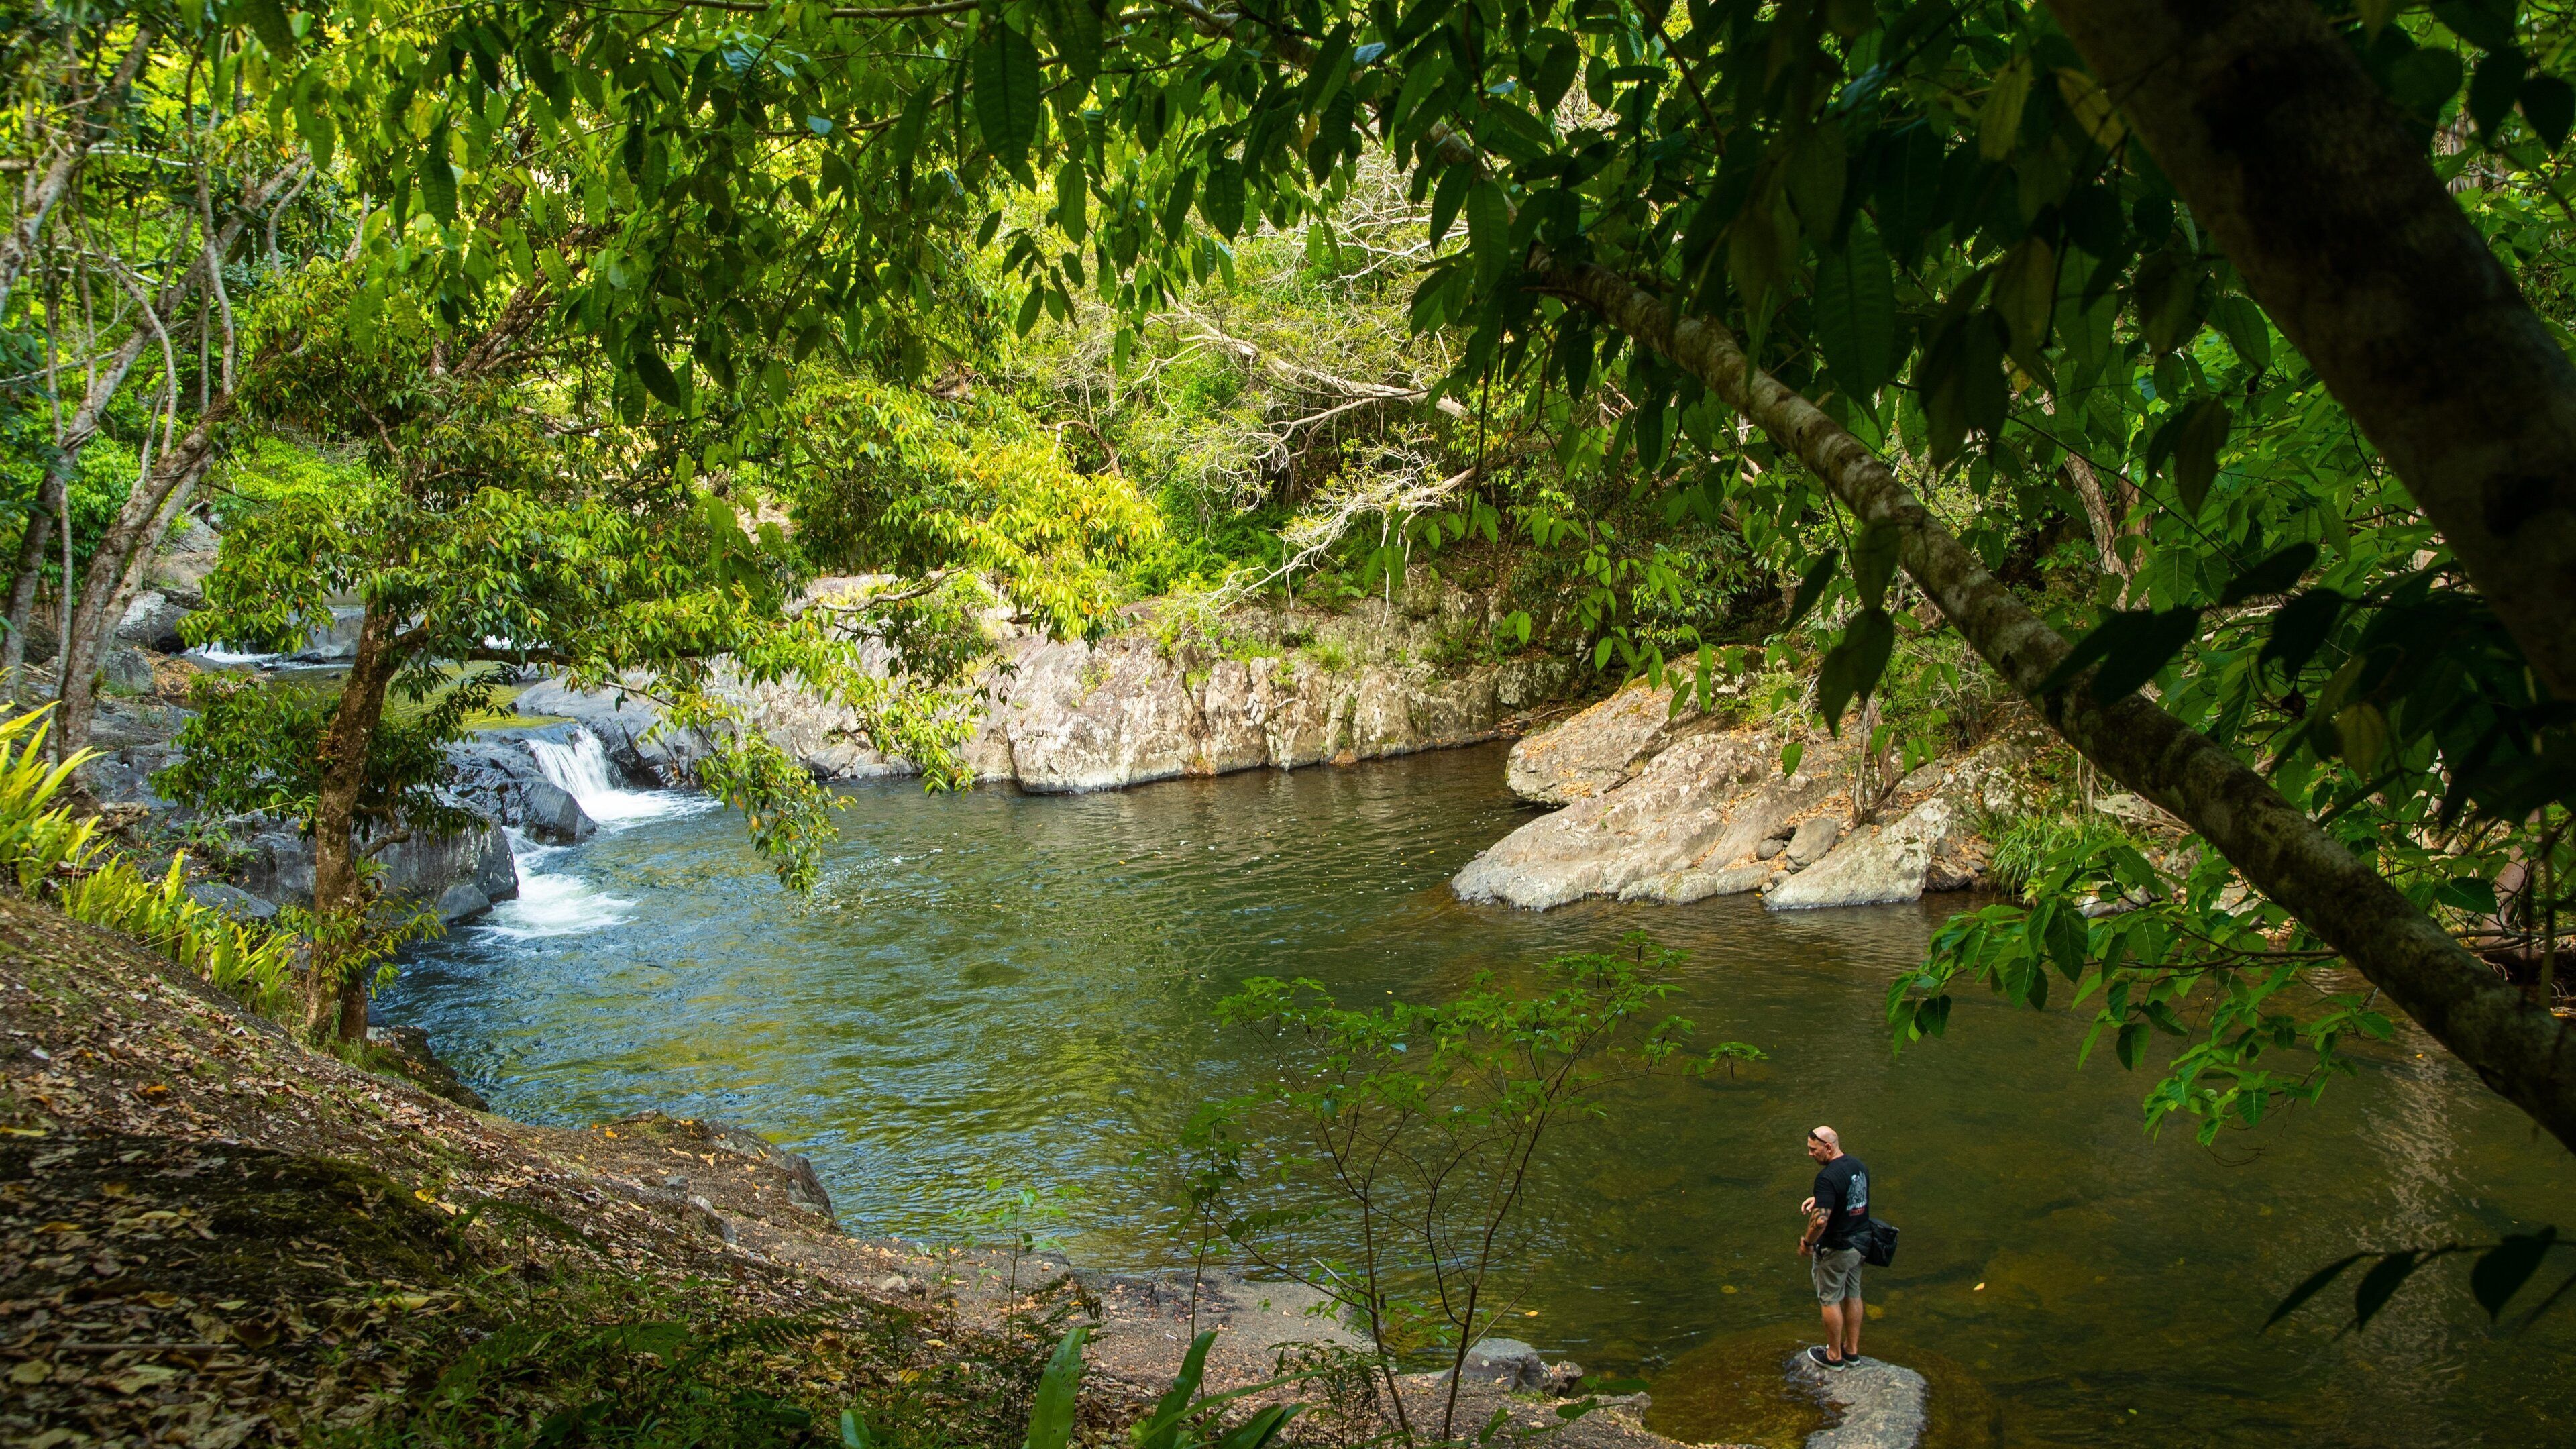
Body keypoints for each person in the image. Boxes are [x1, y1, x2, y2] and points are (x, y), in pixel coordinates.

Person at [1795, 1125, 1869, 1368]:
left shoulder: (1826, 1177)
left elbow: (1820, 1221)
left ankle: (1834, 1356)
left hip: (1836, 1249)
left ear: (1828, 1147)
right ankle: (1852, 1350)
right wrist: (1821, 1200)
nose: (1810, 1154)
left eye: (1813, 1150)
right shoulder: (1858, 1166)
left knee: (1829, 1299)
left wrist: (1808, 1241)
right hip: (1860, 1244)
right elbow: (1851, 1197)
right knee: (1853, 1294)